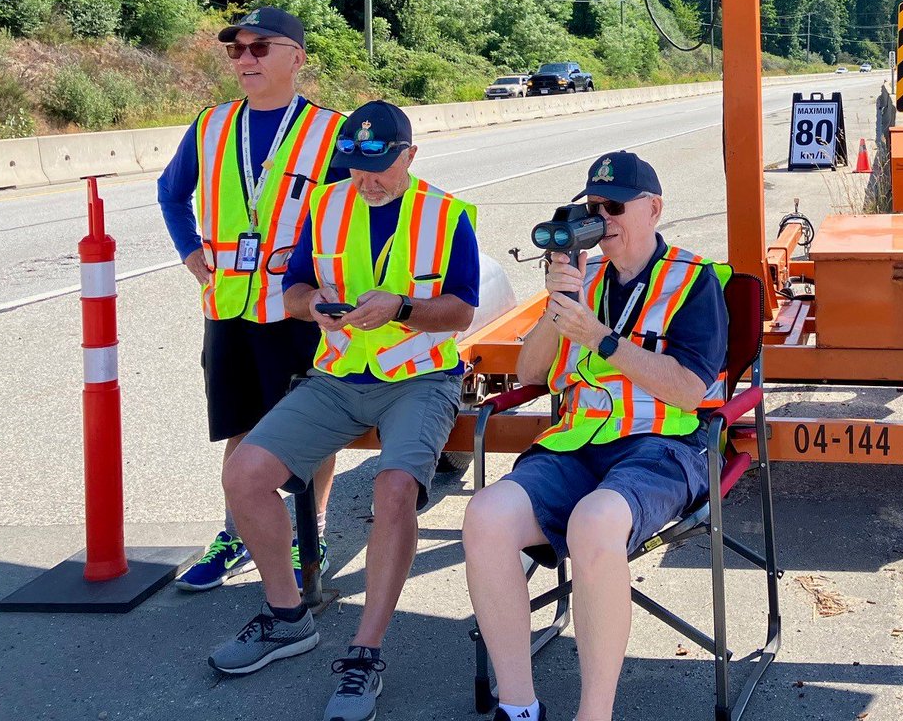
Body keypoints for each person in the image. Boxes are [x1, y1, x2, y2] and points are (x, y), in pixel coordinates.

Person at [209, 100, 480, 721]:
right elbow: (295, 289)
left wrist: (402, 308)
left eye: (379, 167)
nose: (366, 179)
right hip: (335, 375)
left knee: (394, 490)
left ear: (410, 156)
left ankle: (365, 653)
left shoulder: (446, 214)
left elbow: (462, 311)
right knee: (244, 476)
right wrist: (311, 308)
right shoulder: (326, 203)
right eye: (356, 166)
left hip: (419, 379)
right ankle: (287, 617)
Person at [463, 151, 728, 721]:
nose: (602, 219)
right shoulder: (583, 280)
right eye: (593, 208)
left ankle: (594, 714)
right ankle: (518, 706)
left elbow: (689, 390)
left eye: (615, 207)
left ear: (653, 209)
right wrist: (555, 308)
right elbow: (531, 373)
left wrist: (601, 339)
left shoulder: (693, 280)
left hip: (663, 445)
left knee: (595, 522)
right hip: (576, 442)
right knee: (485, 516)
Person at [157, 6, 344, 593]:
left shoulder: (331, 132)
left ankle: (310, 533)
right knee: (240, 425)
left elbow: (357, 213)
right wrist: (190, 253)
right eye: (236, 49)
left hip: (297, 308)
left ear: (297, 58)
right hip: (229, 307)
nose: (245, 59)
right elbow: (170, 193)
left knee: (310, 428)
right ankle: (237, 533)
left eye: (259, 48)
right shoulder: (211, 124)